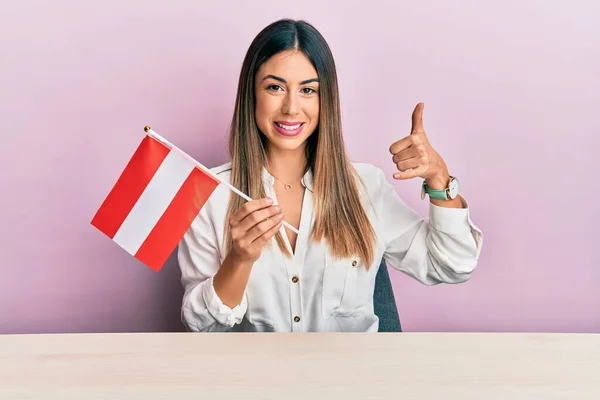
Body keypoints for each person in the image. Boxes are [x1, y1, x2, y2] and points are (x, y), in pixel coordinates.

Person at [177, 18, 483, 332]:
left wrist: (438, 177)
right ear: (252, 95)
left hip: (352, 378)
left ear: (326, 101)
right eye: (275, 87)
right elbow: (202, 329)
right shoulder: (209, 196)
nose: (291, 108)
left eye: (308, 90)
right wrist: (239, 259)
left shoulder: (366, 189)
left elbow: (453, 265)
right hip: (259, 379)